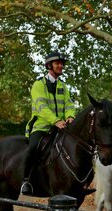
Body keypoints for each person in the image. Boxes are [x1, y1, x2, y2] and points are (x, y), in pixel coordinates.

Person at [20, 51, 76, 195]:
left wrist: (70, 116)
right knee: (32, 148)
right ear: (49, 65)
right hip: (42, 127)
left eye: (61, 64)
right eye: (57, 63)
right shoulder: (38, 85)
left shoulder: (63, 87)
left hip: (62, 126)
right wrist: (55, 120)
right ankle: (26, 181)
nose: (60, 66)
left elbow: (69, 104)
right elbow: (41, 108)